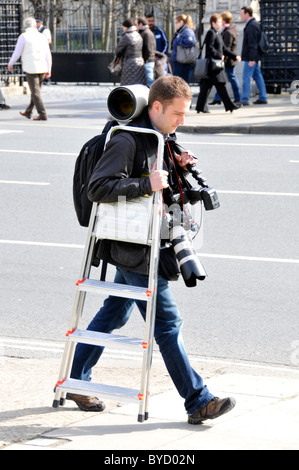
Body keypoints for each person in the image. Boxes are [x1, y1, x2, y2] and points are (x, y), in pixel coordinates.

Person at [67, 75, 236, 424]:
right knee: (168, 325)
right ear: (156, 107)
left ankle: (75, 378)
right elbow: (98, 188)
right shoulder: (127, 140)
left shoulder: (162, 138)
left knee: (116, 312)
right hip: (132, 246)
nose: (182, 120)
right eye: (178, 113)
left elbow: (165, 189)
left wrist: (179, 167)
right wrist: (146, 183)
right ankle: (198, 400)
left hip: (147, 241)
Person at [7, 17, 52, 121]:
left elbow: (17, 52)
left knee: (35, 93)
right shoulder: (42, 36)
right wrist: (49, 69)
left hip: (31, 68)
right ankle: (28, 112)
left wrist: (10, 64)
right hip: (42, 67)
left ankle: (43, 114)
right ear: (35, 25)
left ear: (24, 26)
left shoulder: (24, 36)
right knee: (36, 91)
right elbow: (48, 54)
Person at [195, 14, 241, 113]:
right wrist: (219, 55)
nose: (220, 24)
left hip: (215, 65)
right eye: (219, 22)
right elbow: (210, 48)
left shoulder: (217, 33)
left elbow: (224, 48)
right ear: (213, 23)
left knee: (206, 87)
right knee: (220, 86)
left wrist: (234, 56)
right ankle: (229, 106)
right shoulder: (210, 33)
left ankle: (200, 107)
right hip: (213, 65)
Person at [210, 11, 241, 105]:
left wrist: (223, 57)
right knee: (221, 79)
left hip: (228, 60)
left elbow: (226, 48)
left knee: (230, 78)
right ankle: (218, 98)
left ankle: (237, 97)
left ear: (223, 21)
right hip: (228, 59)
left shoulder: (228, 32)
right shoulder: (229, 30)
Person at [240, 5, 268, 105]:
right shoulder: (255, 24)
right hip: (254, 56)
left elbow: (252, 44)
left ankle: (244, 99)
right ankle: (263, 97)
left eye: (242, 14)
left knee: (246, 78)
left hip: (251, 57)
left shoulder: (251, 26)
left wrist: (252, 58)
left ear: (247, 14)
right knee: (258, 77)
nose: (241, 16)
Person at [115, 18, 147, 86]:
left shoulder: (126, 36)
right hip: (140, 62)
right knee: (138, 83)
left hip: (129, 63)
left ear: (125, 27)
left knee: (128, 84)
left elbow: (118, 51)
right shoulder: (139, 35)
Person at [171, 14, 197, 84]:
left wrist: (179, 40)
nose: (176, 24)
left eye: (177, 22)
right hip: (180, 61)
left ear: (181, 22)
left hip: (183, 62)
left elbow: (191, 42)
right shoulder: (181, 31)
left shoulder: (187, 31)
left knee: (182, 83)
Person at [137, 17, 156, 87]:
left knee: (150, 82)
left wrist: (144, 60)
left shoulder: (147, 33)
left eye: (137, 24)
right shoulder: (144, 33)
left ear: (141, 24)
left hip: (148, 62)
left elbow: (149, 49)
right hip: (147, 61)